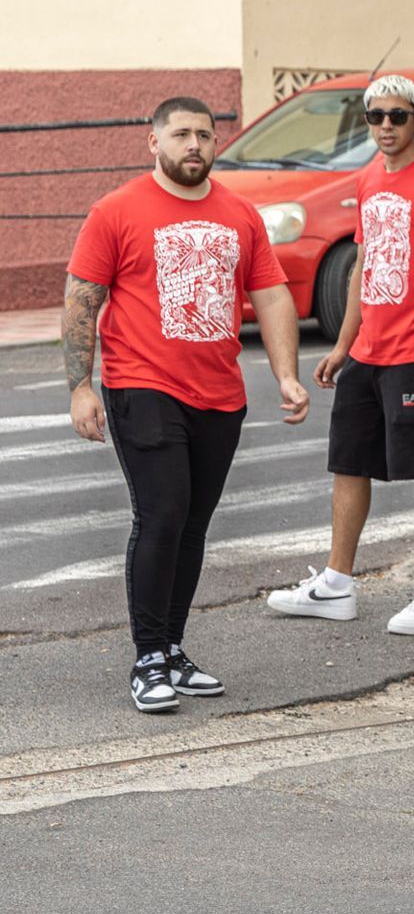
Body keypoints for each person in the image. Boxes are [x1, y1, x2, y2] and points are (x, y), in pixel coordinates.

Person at [63, 96, 311, 713]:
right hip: (142, 386)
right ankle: (148, 657)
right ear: (155, 143)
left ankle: (172, 649)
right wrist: (80, 384)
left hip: (220, 395)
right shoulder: (116, 211)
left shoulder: (239, 214)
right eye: (181, 134)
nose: (194, 144)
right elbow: (81, 300)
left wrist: (286, 375)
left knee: (193, 526)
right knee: (163, 515)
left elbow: (273, 296)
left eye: (204, 134)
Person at [266, 74, 414, 634]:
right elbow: (365, 267)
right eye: (375, 116)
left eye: (397, 115)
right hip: (369, 350)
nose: (385, 125)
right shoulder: (366, 181)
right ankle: (337, 585)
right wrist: (342, 346)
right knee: (348, 461)